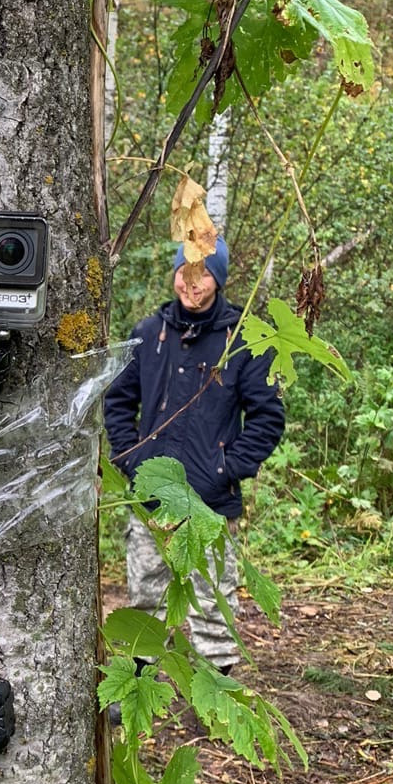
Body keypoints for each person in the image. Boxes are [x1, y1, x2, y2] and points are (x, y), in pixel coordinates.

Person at [102, 236, 284, 671]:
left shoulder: (245, 340)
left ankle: (216, 690)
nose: (192, 283)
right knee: (147, 594)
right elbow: (118, 401)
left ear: (218, 278)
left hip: (211, 503)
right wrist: (131, 459)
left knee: (213, 599)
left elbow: (267, 418)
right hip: (152, 499)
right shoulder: (149, 334)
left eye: (203, 273)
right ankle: (139, 678)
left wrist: (224, 469)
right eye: (185, 271)